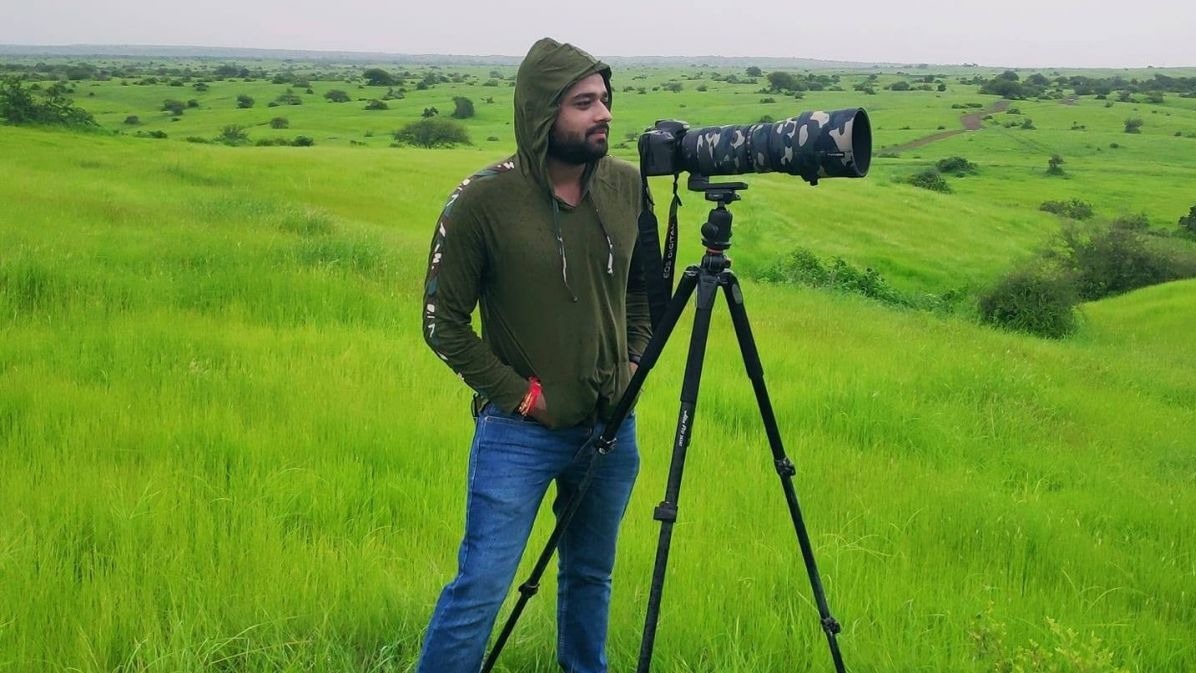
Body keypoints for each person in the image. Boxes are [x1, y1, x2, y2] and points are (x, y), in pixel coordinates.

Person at [417, 37, 652, 673]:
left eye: (605, 98)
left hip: (610, 429)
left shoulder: (628, 189)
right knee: (481, 589)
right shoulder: (483, 201)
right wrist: (525, 396)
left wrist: (631, 361)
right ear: (542, 112)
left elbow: (640, 290)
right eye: (583, 103)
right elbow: (442, 323)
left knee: (590, 578)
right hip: (519, 434)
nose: (603, 113)